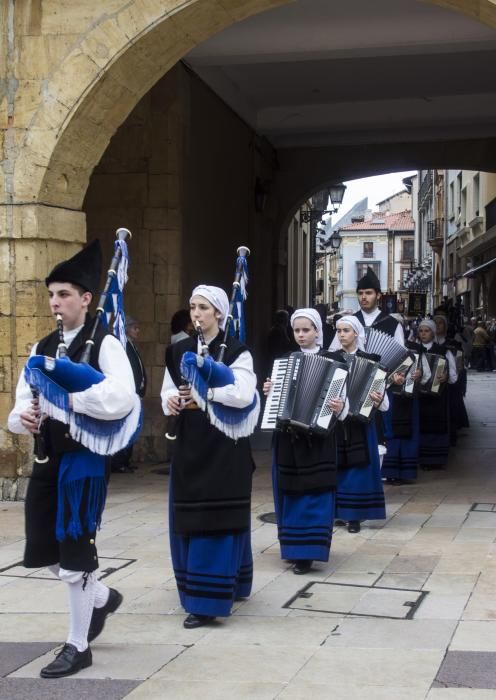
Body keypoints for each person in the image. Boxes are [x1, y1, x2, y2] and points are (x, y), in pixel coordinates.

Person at [8, 241, 139, 678]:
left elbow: (121, 397)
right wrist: (22, 416)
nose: (55, 303)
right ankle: (101, 599)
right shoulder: (42, 345)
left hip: (82, 464)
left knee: (74, 558)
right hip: (47, 460)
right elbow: (17, 407)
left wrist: (70, 397)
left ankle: (78, 645)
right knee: (43, 550)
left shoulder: (104, 344)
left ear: (85, 298)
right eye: (51, 295)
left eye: (63, 294)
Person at [161, 285, 258, 629]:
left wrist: (205, 393)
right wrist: (171, 401)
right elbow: (167, 391)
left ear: (219, 313)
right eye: (192, 307)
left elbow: (244, 394)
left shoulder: (237, 351)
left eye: (203, 307)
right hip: (191, 445)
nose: (196, 313)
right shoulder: (179, 351)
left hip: (225, 446)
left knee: (219, 521)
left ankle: (207, 602)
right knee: (191, 519)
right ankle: (201, 589)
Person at [263, 308, 347, 575]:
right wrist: (270, 392)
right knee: (291, 493)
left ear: (317, 331)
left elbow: (345, 405)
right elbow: (278, 404)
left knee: (316, 493)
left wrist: (338, 406)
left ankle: (309, 552)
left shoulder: (334, 360)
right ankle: (293, 549)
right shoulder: (285, 360)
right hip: (289, 438)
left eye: (306, 330)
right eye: (297, 330)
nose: (301, 335)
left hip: (319, 438)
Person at [333, 316, 388, 533]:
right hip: (337, 422)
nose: (341, 335)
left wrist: (378, 399)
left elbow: (385, 404)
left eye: (346, 330)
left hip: (362, 423)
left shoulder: (372, 360)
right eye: (338, 331)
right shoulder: (331, 358)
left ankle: (355, 516)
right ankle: (339, 512)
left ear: (356, 333)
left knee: (358, 470)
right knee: (339, 467)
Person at [417, 319, 458, 469]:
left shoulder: (444, 351)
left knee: (437, 427)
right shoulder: (414, 351)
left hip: (438, 398)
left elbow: (454, 377)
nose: (423, 334)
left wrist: (446, 377)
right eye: (421, 331)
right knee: (421, 425)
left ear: (433, 333)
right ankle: (422, 459)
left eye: (426, 331)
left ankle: (436, 460)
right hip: (419, 397)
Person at [111, 317, 147, 473]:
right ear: (126, 329)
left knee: (133, 428)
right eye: (134, 328)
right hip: (129, 394)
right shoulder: (124, 346)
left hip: (136, 394)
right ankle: (119, 462)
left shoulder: (131, 346)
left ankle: (125, 460)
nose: (137, 331)